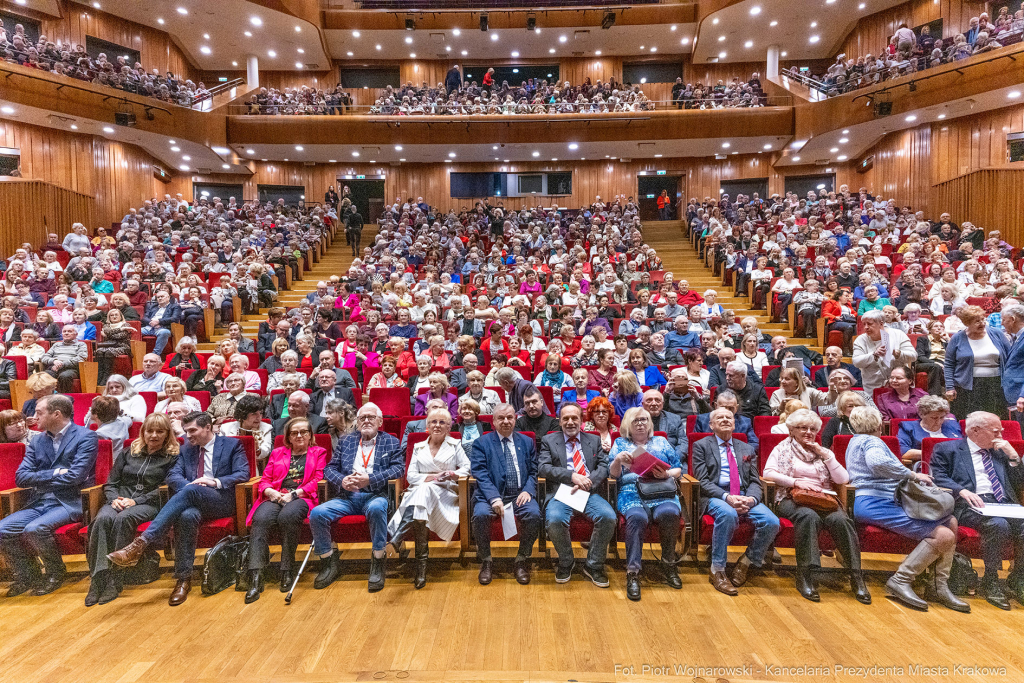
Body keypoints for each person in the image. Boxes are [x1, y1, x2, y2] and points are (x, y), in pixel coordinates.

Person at [106, 411, 250, 606]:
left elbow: (243, 473)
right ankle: (183, 579)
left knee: (189, 494)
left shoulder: (232, 445)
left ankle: (141, 543)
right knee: (186, 516)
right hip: (190, 501)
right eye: (185, 431)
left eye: (192, 430)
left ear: (207, 426)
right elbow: (173, 476)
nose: (188, 436)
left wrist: (213, 482)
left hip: (220, 500)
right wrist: (191, 489)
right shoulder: (185, 449)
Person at [846, 406, 968, 612]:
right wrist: (912, 475)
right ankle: (901, 580)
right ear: (878, 425)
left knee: (951, 522)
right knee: (945, 536)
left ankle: (938, 585)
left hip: (877, 502)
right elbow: (877, 464)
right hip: (876, 503)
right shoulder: (872, 440)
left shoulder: (855, 439)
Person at [763, 409, 869, 603]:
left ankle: (856, 575)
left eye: (812, 429)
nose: (808, 432)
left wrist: (826, 456)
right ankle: (806, 574)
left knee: (841, 520)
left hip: (823, 498)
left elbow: (843, 479)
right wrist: (795, 482)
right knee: (808, 516)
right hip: (790, 497)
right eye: (803, 428)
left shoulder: (822, 452)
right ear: (792, 430)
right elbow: (769, 473)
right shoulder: (782, 448)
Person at [930, 411, 1024, 610]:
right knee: (998, 524)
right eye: (996, 431)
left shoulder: (1000, 451)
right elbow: (937, 477)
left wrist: (1014, 456)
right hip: (970, 505)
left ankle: (1018, 578)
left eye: (1001, 431)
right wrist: (961, 490)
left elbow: (1019, 483)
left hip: (1003, 503)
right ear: (975, 430)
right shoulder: (948, 449)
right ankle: (991, 581)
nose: (1001, 436)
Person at [310, 402, 404, 593]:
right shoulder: (347, 441)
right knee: (317, 513)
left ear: (380, 421)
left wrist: (370, 479)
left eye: (371, 417)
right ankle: (329, 561)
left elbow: (398, 469)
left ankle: (378, 560)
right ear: (357, 421)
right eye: (362, 418)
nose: (366, 421)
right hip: (347, 497)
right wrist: (343, 480)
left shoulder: (391, 441)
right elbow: (329, 469)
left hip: (375, 494)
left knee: (378, 508)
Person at [85, 413, 178, 606]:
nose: (153, 435)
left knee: (123, 519)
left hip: (150, 504)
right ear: (142, 432)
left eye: (159, 431)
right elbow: (111, 483)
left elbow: (168, 488)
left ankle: (115, 578)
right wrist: (114, 500)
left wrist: (136, 501)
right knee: (102, 520)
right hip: (118, 500)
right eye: (149, 430)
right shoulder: (129, 452)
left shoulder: (173, 456)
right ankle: (98, 578)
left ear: (167, 433)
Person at [692, 407, 780, 596]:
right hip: (716, 496)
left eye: (728, 417)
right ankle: (718, 569)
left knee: (772, 522)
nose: (725, 420)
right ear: (711, 425)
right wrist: (727, 498)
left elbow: (756, 480)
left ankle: (747, 561)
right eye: (719, 417)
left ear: (734, 423)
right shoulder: (701, 445)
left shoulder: (746, 448)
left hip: (744, 494)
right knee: (728, 513)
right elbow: (703, 481)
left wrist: (751, 498)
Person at [243, 416, 328, 603]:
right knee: (261, 518)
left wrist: (296, 494)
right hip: (277, 495)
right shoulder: (278, 453)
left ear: (310, 435)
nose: (299, 436)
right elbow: (265, 478)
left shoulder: (318, 452)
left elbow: (318, 479)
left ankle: (287, 569)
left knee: (288, 517)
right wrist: (269, 491)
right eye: (294, 433)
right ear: (287, 436)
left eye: (303, 432)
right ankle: (256, 575)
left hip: (302, 497)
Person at [387, 407, 469, 589]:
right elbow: (410, 476)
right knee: (422, 501)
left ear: (449, 427)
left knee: (423, 493)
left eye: (442, 422)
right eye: (433, 422)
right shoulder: (418, 447)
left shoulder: (455, 445)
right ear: (427, 425)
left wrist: (451, 473)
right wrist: (432, 477)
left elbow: (466, 469)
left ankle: (398, 538)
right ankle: (420, 568)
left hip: (446, 495)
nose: (437, 425)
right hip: (421, 496)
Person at [608, 406, 683, 601]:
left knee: (669, 513)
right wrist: (617, 460)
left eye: (644, 420)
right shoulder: (620, 443)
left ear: (649, 423)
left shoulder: (661, 441)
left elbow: (678, 469)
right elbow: (613, 475)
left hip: (661, 490)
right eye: (636, 421)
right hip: (631, 491)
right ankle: (633, 571)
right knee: (637, 517)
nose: (641, 424)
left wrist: (666, 474)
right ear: (627, 425)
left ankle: (668, 563)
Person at [538, 403, 616, 588]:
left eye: (575, 418)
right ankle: (566, 561)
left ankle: (593, 565)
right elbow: (543, 467)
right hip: (561, 492)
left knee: (608, 517)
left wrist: (587, 481)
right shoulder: (549, 441)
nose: (570, 422)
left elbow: (604, 467)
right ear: (559, 421)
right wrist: (571, 476)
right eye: (566, 418)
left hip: (588, 492)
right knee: (555, 519)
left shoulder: (593, 440)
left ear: (582, 420)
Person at [469, 403, 541, 586]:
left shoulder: (526, 442)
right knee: (481, 514)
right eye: (501, 418)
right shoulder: (481, 443)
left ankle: (521, 559)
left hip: (519, 494)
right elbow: (480, 474)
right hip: (490, 494)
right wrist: (494, 498)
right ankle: (486, 560)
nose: (506, 421)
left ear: (515, 419)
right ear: (493, 421)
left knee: (534, 514)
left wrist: (527, 490)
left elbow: (534, 471)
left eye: (510, 417)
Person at [944, 305, 1009, 420]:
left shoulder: (996, 333)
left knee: (994, 418)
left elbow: (1009, 358)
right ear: (967, 323)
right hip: (967, 386)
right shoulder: (957, 338)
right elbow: (949, 364)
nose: (982, 323)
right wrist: (950, 387)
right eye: (977, 321)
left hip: (996, 384)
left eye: (983, 319)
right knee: (970, 419)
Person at [852, 310, 915, 398]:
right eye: (864, 324)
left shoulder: (898, 334)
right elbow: (856, 362)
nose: (866, 327)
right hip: (873, 385)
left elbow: (913, 356)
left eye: (869, 324)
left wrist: (897, 353)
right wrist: (874, 355)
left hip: (898, 384)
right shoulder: (861, 339)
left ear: (881, 324)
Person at [219, 394, 274, 465]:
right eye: (254, 414)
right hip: (230, 463)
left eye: (260, 413)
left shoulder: (267, 428)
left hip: (255, 464)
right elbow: (220, 450)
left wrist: (257, 449)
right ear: (243, 415)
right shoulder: (226, 428)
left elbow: (266, 452)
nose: (258, 417)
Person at [642, 390, 688, 473]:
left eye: (657, 400)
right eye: (649, 400)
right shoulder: (636, 420)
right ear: (642, 404)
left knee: (684, 471)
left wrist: (674, 459)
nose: (654, 403)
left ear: (662, 404)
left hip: (672, 461)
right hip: (644, 462)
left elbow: (683, 442)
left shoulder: (674, 419)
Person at [40, 324, 88, 392]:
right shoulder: (56, 344)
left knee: (64, 376)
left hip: (71, 369)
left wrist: (62, 364)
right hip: (54, 368)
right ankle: (47, 398)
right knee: (44, 375)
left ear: (76, 334)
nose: (66, 333)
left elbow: (81, 358)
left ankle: (65, 399)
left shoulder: (81, 344)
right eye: (64, 331)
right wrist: (54, 361)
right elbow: (44, 357)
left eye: (69, 331)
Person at [94, 308, 133, 385]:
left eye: (116, 315)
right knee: (99, 351)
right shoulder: (106, 325)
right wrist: (121, 329)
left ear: (121, 316)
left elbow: (121, 336)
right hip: (108, 345)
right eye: (112, 315)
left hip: (122, 346)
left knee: (109, 352)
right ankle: (99, 376)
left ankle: (106, 376)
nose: (114, 317)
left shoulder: (126, 325)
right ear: (109, 317)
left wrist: (107, 335)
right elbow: (108, 331)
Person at [90, 396, 132, 461]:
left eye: (91, 408)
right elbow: (129, 418)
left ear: (96, 414)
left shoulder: (99, 434)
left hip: (108, 465)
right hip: (123, 461)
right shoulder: (123, 422)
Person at [141, 290, 181, 357]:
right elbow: (144, 318)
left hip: (163, 327)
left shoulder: (175, 306)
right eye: (158, 297)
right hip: (150, 327)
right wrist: (152, 322)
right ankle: (139, 354)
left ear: (168, 297)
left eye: (162, 296)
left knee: (163, 332)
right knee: (135, 332)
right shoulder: (153, 306)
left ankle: (155, 355)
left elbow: (174, 319)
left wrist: (159, 321)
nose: (160, 298)